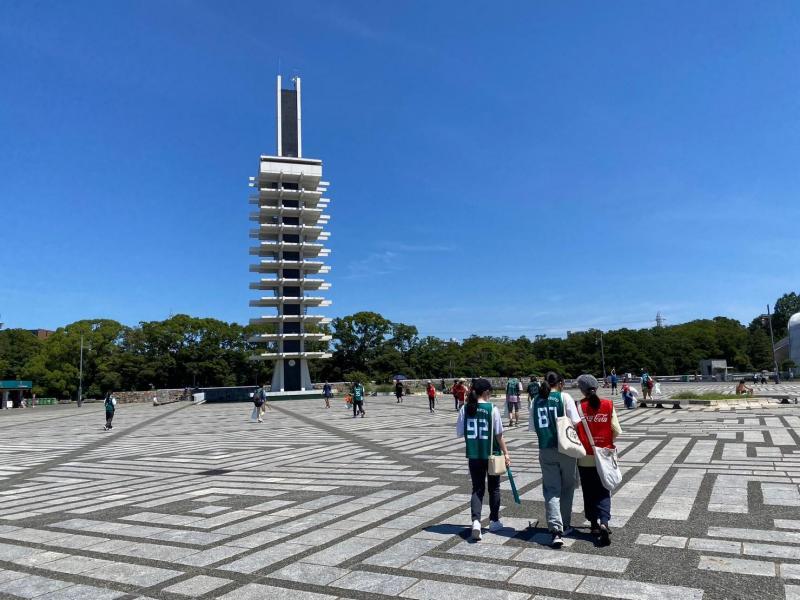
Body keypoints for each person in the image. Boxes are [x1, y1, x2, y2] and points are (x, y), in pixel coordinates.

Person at [456, 378, 511, 541]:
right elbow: (499, 435)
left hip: (473, 454)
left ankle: (476, 522)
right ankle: (494, 520)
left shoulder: (465, 409)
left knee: (477, 488)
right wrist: (506, 453)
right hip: (491, 454)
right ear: (486, 392)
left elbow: (460, 432)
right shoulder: (491, 408)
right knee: (494, 488)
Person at [530, 371, 580, 548]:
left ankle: (555, 529)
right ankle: (565, 525)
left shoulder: (535, 400)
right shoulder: (564, 397)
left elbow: (533, 427)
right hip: (565, 448)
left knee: (551, 490)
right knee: (567, 487)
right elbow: (576, 422)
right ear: (560, 383)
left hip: (545, 448)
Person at [575, 374, 621, 547]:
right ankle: (604, 522)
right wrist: (606, 443)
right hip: (604, 456)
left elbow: (573, 431)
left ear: (581, 389)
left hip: (585, 457)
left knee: (589, 491)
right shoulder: (608, 404)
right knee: (604, 490)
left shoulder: (578, 406)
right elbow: (616, 430)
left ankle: (593, 524)